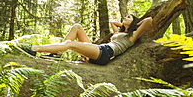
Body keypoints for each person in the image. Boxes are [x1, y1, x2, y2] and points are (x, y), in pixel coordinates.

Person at [20, 15, 153, 66]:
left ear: (134, 22)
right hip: (99, 50)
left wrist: (135, 23)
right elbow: (113, 22)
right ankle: (57, 54)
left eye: (128, 16)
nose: (125, 17)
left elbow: (149, 20)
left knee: (70, 44)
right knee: (77, 27)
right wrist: (126, 23)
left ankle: (34, 49)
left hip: (105, 53)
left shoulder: (133, 35)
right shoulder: (121, 33)